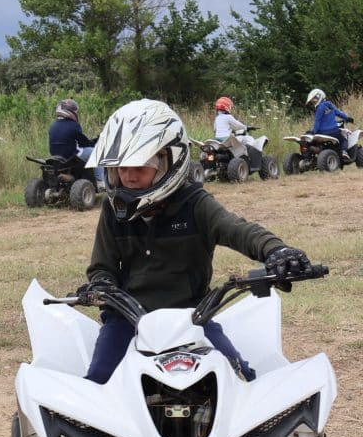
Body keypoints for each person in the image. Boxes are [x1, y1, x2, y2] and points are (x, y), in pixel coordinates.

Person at [78, 98, 312, 385]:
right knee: (99, 381)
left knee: (240, 380)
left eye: (141, 163)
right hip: (127, 319)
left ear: (169, 160)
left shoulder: (195, 203)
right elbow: (101, 267)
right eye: (121, 166)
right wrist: (101, 285)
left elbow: (237, 229)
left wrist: (277, 250)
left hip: (192, 319)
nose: (129, 175)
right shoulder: (113, 211)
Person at [49, 98, 105, 190]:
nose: (76, 113)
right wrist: (93, 143)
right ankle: (101, 183)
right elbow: (83, 143)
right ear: (69, 111)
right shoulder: (73, 125)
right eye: (75, 111)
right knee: (96, 153)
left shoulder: (53, 125)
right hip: (71, 154)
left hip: (55, 155)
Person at [305, 88, 354, 160]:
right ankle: (344, 152)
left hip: (323, 133)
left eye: (315, 100)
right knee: (343, 140)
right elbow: (339, 113)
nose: (314, 102)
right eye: (313, 101)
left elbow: (317, 122)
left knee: (311, 139)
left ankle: (309, 156)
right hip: (334, 132)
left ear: (320, 97)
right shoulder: (330, 105)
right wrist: (348, 118)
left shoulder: (319, 108)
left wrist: (313, 132)